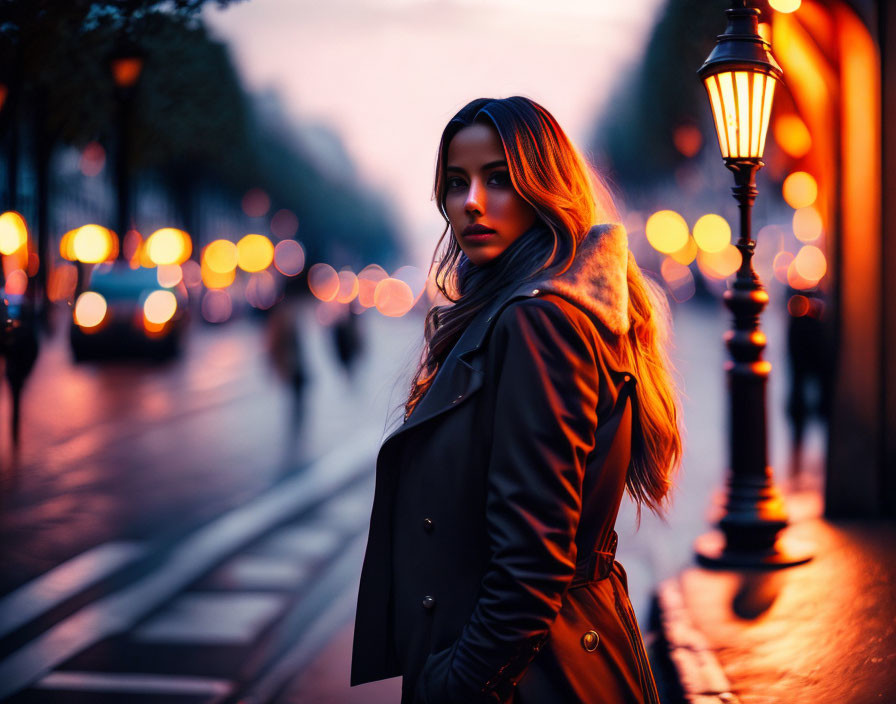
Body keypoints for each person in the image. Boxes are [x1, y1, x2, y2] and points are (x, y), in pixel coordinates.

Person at [351, 96, 682, 704]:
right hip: (558, 659)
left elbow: (532, 565)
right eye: (456, 183)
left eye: (498, 179)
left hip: (531, 678)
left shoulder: (537, 323)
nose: (471, 201)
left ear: (543, 189)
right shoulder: (544, 307)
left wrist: (453, 687)